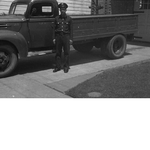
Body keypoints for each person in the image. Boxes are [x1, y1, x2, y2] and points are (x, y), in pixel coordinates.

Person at [53, 2, 73, 73]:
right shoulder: (56, 18)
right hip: (58, 37)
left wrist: (71, 39)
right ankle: (58, 66)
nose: (62, 10)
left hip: (66, 37)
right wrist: (54, 38)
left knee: (66, 52)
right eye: (61, 9)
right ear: (60, 10)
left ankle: (66, 66)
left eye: (64, 9)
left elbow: (71, 30)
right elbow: (54, 29)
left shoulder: (69, 19)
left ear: (66, 10)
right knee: (58, 53)